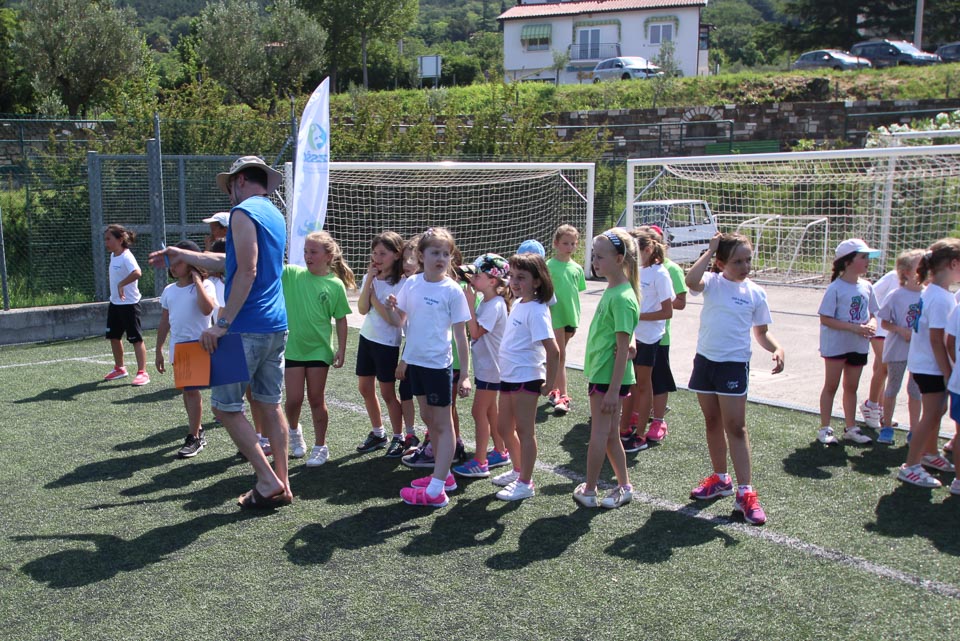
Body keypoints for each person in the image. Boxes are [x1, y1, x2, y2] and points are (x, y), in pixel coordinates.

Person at [149, 155, 291, 509]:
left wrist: (222, 324)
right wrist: (185, 255)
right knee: (270, 405)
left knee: (225, 408)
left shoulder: (243, 212)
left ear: (239, 180)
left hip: (245, 328)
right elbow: (230, 262)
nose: (229, 194)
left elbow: (247, 270)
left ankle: (267, 480)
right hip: (275, 325)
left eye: (229, 187)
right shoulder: (273, 214)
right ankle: (283, 484)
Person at [685, 233, 784, 526]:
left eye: (748, 260)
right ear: (721, 263)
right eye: (737, 261)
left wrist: (776, 348)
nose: (745, 266)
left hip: (733, 366)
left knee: (736, 428)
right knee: (712, 422)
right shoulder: (712, 282)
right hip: (705, 362)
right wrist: (709, 251)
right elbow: (690, 281)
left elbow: (761, 332)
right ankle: (721, 479)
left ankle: (745, 493)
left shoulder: (755, 293)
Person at [385, 227, 471, 508]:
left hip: (438, 367)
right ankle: (445, 477)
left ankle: (436, 490)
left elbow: (461, 336)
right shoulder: (412, 283)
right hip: (416, 364)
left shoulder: (453, 290)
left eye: (446, 253)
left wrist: (465, 375)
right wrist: (392, 308)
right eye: (435, 252)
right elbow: (400, 322)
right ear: (421, 256)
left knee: (443, 425)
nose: (441, 258)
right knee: (428, 419)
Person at [573, 229, 640, 509]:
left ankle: (589, 489)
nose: (595, 262)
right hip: (604, 374)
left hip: (608, 377)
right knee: (610, 435)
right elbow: (625, 339)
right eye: (593, 256)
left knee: (599, 435)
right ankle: (624, 486)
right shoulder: (615, 290)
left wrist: (613, 390)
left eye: (600, 257)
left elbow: (623, 349)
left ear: (619, 259)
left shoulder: (622, 296)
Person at [282, 231, 354, 467]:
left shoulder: (335, 285)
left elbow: (341, 319)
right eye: (305, 251)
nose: (308, 256)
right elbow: (268, 266)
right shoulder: (291, 274)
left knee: (316, 398)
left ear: (328, 256)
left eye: (313, 252)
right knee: (293, 399)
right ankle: (294, 431)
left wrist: (341, 349)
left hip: (319, 351)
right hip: (293, 348)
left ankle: (320, 446)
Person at [490, 253, 559, 501]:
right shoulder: (520, 303)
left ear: (537, 281)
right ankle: (518, 469)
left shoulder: (538, 310)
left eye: (522, 277)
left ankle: (526, 482)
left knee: (525, 431)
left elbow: (554, 351)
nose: (515, 282)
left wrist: (550, 383)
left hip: (526, 377)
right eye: (512, 276)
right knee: (503, 427)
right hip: (509, 376)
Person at [898, 239, 960, 487]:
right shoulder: (942, 298)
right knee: (932, 414)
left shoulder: (932, 292)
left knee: (937, 412)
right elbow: (937, 340)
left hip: (924, 363)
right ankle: (911, 465)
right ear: (953, 264)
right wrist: (948, 372)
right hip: (932, 367)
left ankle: (930, 453)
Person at [154, 240, 217, 458]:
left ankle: (195, 437)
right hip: (178, 348)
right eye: (171, 262)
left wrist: (197, 280)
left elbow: (207, 309)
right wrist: (159, 349)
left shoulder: (206, 286)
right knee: (187, 391)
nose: (173, 266)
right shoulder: (169, 290)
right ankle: (197, 429)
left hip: (199, 346)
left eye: (179, 261)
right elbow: (165, 322)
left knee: (191, 391)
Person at [452, 253, 511, 479]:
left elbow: (475, 332)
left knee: (478, 412)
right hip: (488, 367)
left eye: (478, 275)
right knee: (490, 410)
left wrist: (468, 305)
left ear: (492, 281)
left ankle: (480, 462)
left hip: (491, 369)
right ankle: (500, 450)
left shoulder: (494, 305)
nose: (473, 278)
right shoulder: (489, 301)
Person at [817, 239, 880, 445]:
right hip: (837, 345)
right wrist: (855, 328)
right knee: (831, 386)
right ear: (847, 262)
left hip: (858, 345)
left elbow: (873, 314)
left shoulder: (867, 286)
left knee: (851, 387)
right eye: (863, 257)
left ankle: (851, 428)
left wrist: (871, 324)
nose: (867, 261)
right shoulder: (835, 288)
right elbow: (826, 319)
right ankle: (825, 428)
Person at [619, 227, 674, 452]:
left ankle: (640, 435)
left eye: (634, 252)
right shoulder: (635, 270)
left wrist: (638, 316)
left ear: (648, 249)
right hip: (632, 335)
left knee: (643, 385)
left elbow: (667, 311)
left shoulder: (660, 274)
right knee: (630, 383)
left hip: (649, 339)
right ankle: (625, 427)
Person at [355, 231, 409, 457]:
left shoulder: (403, 283)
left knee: (387, 393)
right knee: (365, 388)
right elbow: (361, 309)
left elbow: (394, 320)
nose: (377, 258)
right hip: (366, 338)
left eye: (383, 254)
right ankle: (378, 433)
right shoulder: (371, 278)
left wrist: (374, 298)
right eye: (374, 253)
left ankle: (399, 436)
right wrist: (369, 279)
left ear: (396, 255)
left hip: (387, 344)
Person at [876, 249, 924, 445]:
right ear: (906, 272)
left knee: (915, 390)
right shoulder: (896, 295)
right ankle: (886, 427)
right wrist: (900, 330)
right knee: (893, 387)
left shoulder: (928, 294)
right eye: (920, 265)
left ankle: (914, 430)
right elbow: (884, 322)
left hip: (919, 352)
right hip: (897, 350)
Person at [546, 225, 586, 414]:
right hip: (555, 315)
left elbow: (576, 292)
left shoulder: (577, 268)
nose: (569, 247)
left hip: (571, 316)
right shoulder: (548, 266)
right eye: (565, 243)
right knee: (560, 355)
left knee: (559, 355)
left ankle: (554, 389)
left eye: (573, 243)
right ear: (556, 244)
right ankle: (563, 395)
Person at [102, 224, 150, 386]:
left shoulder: (127, 257)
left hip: (129, 305)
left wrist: (122, 284)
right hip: (115, 303)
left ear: (120, 239)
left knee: (136, 339)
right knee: (114, 337)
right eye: (105, 239)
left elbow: (137, 272)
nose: (106, 242)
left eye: (109, 239)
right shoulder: (113, 255)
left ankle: (143, 372)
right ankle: (120, 368)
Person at [862, 266, 900, 430]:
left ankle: (881, 409)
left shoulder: (921, 284)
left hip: (892, 331)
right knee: (885, 366)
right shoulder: (893, 276)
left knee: (881, 368)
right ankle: (870, 405)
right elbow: (870, 295)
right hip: (878, 327)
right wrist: (870, 319)